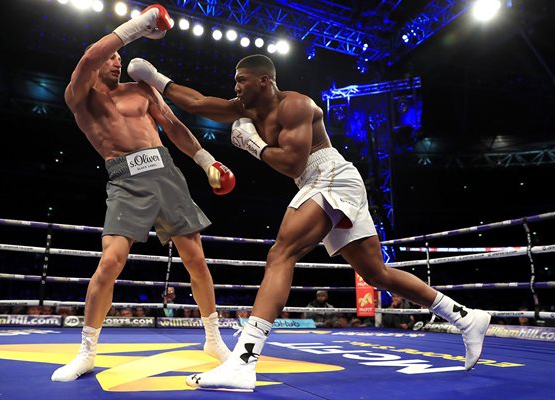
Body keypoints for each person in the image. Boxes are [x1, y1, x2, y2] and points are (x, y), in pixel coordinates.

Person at [132, 54, 492, 391]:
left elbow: (291, 163)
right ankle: (464, 316)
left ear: (265, 80)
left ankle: (242, 361)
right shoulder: (244, 107)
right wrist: (154, 78)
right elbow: (196, 102)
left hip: (330, 176)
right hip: (322, 182)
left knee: (281, 254)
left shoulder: (297, 105)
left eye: (242, 81)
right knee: (376, 274)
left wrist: (252, 144)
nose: (236, 87)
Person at [50, 4, 234, 382]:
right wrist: (139, 26)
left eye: (120, 57)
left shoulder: (142, 89)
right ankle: (86, 351)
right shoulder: (79, 96)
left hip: (166, 172)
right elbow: (89, 57)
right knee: (110, 262)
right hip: (124, 179)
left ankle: (213, 338)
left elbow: (175, 126)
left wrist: (206, 162)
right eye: (111, 57)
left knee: (196, 259)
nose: (117, 62)